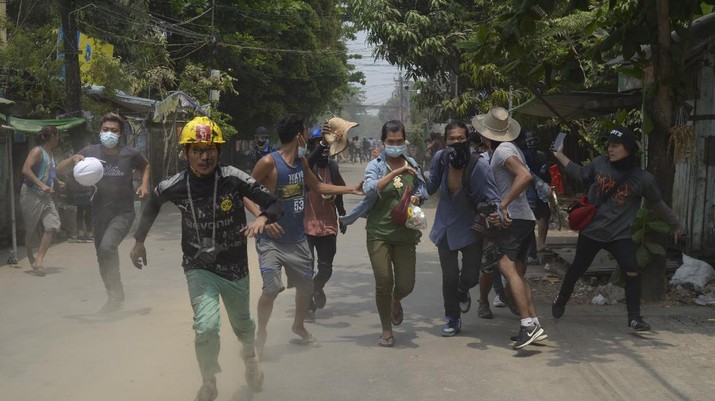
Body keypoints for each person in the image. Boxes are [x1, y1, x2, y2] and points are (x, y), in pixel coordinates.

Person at [130, 116, 276, 399]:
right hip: (198, 266)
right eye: (196, 150)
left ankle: (249, 359)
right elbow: (152, 203)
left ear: (218, 151)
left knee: (243, 324)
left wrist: (263, 217)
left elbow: (273, 202)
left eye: (209, 149)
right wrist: (138, 241)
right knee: (206, 326)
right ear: (185, 153)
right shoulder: (175, 184)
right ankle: (209, 380)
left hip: (234, 266)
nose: (204, 156)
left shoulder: (234, 178)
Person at [246, 114, 362, 355]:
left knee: (306, 288)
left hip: (297, 239)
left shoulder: (302, 164)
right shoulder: (268, 162)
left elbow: (318, 187)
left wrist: (350, 189)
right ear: (299, 135)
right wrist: (262, 218)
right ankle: (261, 333)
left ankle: (298, 327)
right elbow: (244, 192)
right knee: (271, 288)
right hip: (271, 241)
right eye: (306, 131)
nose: (308, 135)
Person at [551, 127, 684, 331]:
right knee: (577, 268)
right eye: (609, 145)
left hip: (619, 235)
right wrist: (559, 154)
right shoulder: (599, 164)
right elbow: (579, 174)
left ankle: (634, 318)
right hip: (592, 231)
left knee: (632, 271)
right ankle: (560, 300)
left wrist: (675, 224)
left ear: (628, 150)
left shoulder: (642, 179)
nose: (610, 149)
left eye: (615, 146)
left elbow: (658, 203)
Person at [340, 120, 428, 347]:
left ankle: (395, 299)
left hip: (405, 235)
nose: (396, 145)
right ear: (383, 142)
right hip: (379, 232)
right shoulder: (375, 166)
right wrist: (397, 171)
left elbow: (422, 190)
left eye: (399, 141)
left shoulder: (413, 164)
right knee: (383, 281)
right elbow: (370, 188)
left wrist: (418, 197)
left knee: (406, 285)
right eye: (391, 142)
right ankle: (386, 330)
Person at [57, 113, 151, 312]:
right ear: (100, 131)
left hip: (123, 212)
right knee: (102, 255)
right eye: (105, 130)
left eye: (114, 130)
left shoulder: (129, 153)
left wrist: (144, 185)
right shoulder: (90, 152)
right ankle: (113, 296)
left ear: (121, 133)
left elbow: (145, 165)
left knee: (108, 247)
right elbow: (59, 169)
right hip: (99, 213)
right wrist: (73, 159)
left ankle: (117, 294)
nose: (109, 133)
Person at [473, 107, 546, 349]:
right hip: (523, 217)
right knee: (516, 271)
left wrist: (502, 206)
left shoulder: (503, 150)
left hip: (513, 218)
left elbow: (524, 176)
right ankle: (534, 323)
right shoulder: (510, 148)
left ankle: (527, 325)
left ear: (486, 135)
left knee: (505, 266)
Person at [426, 121, 501, 336]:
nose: (456, 142)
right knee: (449, 277)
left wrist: (496, 212)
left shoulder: (479, 165)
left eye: (461, 138)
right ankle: (452, 318)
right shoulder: (440, 159)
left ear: (467, 139)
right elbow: (431, 186)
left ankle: (463, 290)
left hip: (470, 229)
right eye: (452, 139)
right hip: (445, 228)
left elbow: (493, 196)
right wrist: (415, 193)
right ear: (446, 141)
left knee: (470, 278)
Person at [303, 126, 348, 320]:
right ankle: (307, 303)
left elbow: (338, 192)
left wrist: (343, 215)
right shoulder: (305, 167)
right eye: (317, 145)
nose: (322, 150)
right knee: (306, 267)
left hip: (328, 225)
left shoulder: (333, 167)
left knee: (326, 269)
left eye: (326, 146)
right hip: (306, 225)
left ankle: (316, 288)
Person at [20, 125, 63, 276]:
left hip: (46, 196)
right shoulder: (37, 151)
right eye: (57, 136)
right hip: (31, 193)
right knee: (31, 228)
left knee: (52, 225)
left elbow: (48, 171)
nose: (58, 139)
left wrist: (57, 181)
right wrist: (41, 185)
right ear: (52, 137)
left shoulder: (50, 153)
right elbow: (26, 169)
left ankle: (39, 259)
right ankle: (30, 254)